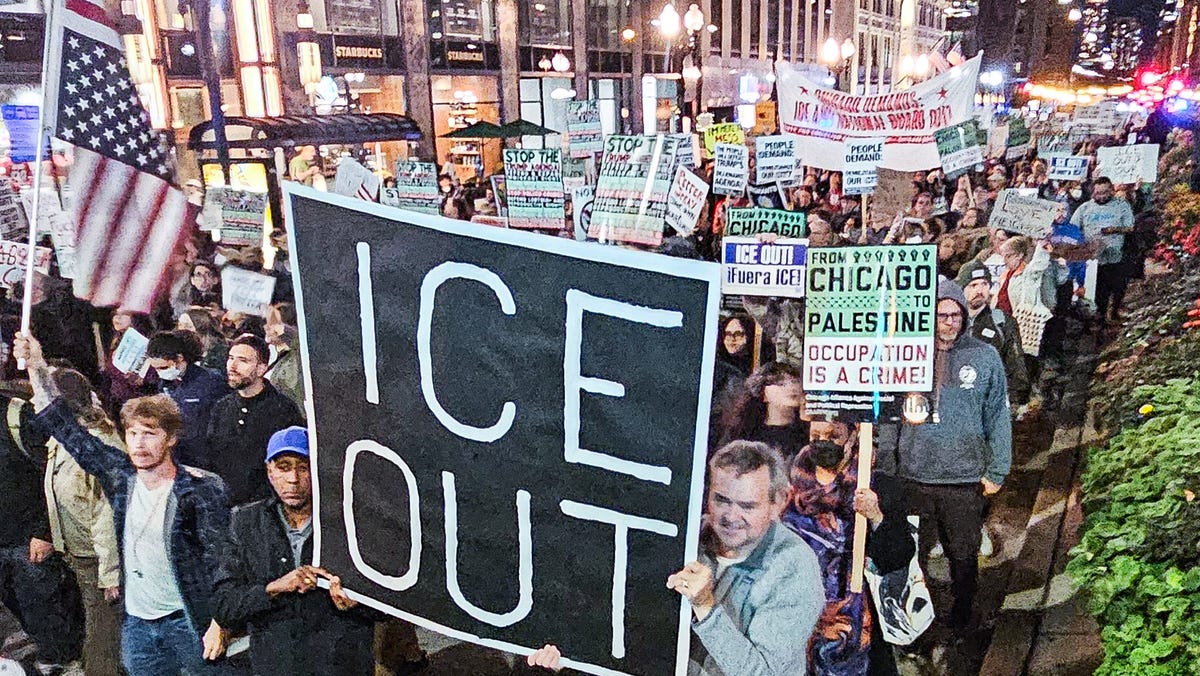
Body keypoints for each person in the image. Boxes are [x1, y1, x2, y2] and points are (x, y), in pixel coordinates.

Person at [15, 334, 231, 674]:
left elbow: (221, 563)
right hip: (138, 626)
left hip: (188, 623)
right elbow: (65, 428)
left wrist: (220, 621)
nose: (140, 444)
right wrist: (37, 366)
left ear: (171, 438)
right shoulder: (121, 477)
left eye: (150, 433)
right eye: (133, 434)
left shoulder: (199, 491)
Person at [213, 427, 380, 675]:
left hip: (340, 664)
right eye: (283, 467)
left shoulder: (349, 523)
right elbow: (224, 605)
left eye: (303, 468)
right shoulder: (246, 522)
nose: (293, 479)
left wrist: (358, 603)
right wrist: (275, 587)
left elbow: (389, 605)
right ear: (269, 471)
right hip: (276, 664)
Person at [894, 280, 1011, 631]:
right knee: (913, 555)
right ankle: (918, 620)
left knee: (963, 552)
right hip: (915, 474)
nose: (950, 322)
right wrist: (889, 464)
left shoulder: (984, 356)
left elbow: (998, 415)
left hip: (963, 477)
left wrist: (998, 469)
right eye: (942, 314)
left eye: (956, 315)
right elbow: (887, 413)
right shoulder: (907, 353)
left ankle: (963, 614)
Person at [668, 440, 824, 674]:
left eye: (747, 506)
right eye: (721, 500)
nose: (731, 516)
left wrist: (705, 607)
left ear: (778, 503)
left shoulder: (794, 565)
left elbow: (763, 673)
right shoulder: (690, 539)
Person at [781, 438, 914, 675]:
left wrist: (876, 517)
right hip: (800, 622)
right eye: (818, 429)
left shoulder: (877, 486)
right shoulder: (787, 486)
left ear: (852, 437)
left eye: (833, 433)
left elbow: (898, 555)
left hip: (860, 625)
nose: (824, 438)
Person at [42, 368, 124, 676]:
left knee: (102, 635)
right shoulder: (67, 434)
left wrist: (110, 574)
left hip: (98, 561)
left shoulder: (99, 443)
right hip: (79, 553)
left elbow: (106, 514)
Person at [0, 385, 86, 673]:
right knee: (17, 611)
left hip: (27, 539)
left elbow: (49, 472)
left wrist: (45, 531)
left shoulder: (16, 414)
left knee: (45, 606)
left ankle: (63, 663)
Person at [207, 334, 304, 506]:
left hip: (266, 508)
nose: (232, 366)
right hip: (224, 506)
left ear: (261, 369)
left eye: (243, 361)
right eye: (230, 358)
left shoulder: (283, 409)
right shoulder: (221, 408)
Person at [146, 330, 232, 471]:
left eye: (163, 367)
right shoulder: (165, 384)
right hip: (179, 458)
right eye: (155, 369)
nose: (160, 373)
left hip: (206, 460)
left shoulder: (211, 382)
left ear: (179, 359)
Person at [956, 261, 1031, 409]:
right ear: (962, 288)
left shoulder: (1002, 322)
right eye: (973, 285)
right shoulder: (950, 321)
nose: (979, 290)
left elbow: (1015, 363)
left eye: (984, 284)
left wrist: (1014, 399)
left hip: (992, 402)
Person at [1073, 176, 1135, 324]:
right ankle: (1097, 317)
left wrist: (1114, 229)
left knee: (1115, 286)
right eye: (1098, 193)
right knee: (1097, 289)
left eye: (1105, 192)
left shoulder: (1122, 205)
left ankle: (1113, 313)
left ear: (1112, 191)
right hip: (1093, 258)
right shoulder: (1085, 208)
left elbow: (1131, 227)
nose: (1101, 196)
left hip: (1115, 254)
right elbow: (1073, 228)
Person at [720, 362, 809, 460]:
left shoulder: (811, 432)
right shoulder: (748, 436)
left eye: (795, 381)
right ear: (763, 393)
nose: (791, 387)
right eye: (780, 383)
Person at [264, 303, 305, 408]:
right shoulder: (268, 352)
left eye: (272, 322)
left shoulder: (299, 353)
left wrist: (281, 328)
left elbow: (298, 340)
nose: (267, 327)